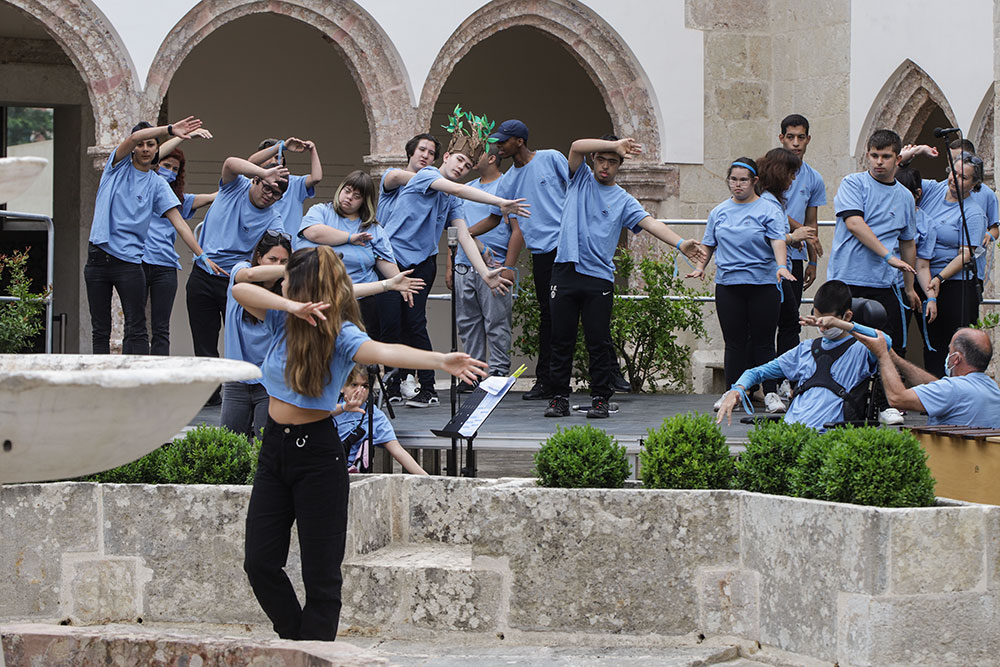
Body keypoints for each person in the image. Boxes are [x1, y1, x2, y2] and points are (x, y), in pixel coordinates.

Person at [234, 245, 486, 641]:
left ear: (304, 286)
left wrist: (439, 361)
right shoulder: (281, 318)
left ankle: (312, 653)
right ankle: (296, 638)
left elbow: (386, 350)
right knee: (259, 563)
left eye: (288, 279)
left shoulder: (341, 333)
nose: (280, 282)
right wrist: (294, 300)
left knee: (321, 574)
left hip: (317, 454)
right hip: (274, 451)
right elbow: (240, 286)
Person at [544, 135, 705, 418]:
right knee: (560, 339)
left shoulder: (623, 199)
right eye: (602, 159)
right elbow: (575, 147)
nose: (606, 166)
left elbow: (651, 223)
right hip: (565, 270)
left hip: (598, 279)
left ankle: (600, 399)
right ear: (594, 159)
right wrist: (614, 145)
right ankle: (558, 398)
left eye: (613, 162)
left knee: (599, 341)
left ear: (620, 166)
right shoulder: (579, 178)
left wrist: (681, 244)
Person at [377, 112, 524, 408]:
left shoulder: (452, 200)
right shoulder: (427, 176)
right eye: (459, 160)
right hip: (391, 260)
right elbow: (456, 187)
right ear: (445, 158)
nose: (462, 167)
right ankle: (392, 384)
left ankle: (427, 388)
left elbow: (465, 236)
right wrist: (499, 202)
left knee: (416, 323)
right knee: (390, 324)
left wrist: (485, 273)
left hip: (421, 264)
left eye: (468, 165)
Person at [85, 117, 223, 354]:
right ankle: (102, 385)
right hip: (98, 257)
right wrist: (171, 130)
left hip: (129, 262)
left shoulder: (158, 184)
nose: (145, 148)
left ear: (157, 148)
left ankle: (138, 385)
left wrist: (202, 256)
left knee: (137, 327)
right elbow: (132, 137)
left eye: (151, 144)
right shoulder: (116, 167)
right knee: (100, 330)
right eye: (141, 144)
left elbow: (180, 223)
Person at [688, 157, 794, 414]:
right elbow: (709, 244)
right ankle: (732, 392)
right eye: (733, 179)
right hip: (729, 285)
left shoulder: (768, 210)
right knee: (734, 342)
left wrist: (781, 266)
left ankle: (770, 393)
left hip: (763, 284)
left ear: (755, 181)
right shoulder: (719, 212)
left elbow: (778, 241)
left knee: (764, 342)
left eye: (743, 180)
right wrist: (700, 267)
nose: (737, 185)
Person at [715, 280, 890, 431]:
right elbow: (755, 373)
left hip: (827, 434)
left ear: (847, 316)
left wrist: (845, 325)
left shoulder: (860, 349)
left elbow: (886, 342)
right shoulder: (806, 349)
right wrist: (736, 390)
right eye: (819, 321)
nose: (822, 329)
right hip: (792, 433)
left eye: (828, 323)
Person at [185, 152, 290, 373]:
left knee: (240, 338)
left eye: (277, 194)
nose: (270, 195)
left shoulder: (274, 219)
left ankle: (241, 387)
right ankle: (210, 396)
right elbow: (230, 163)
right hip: (203, 272)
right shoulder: (235, 187)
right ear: (256, 180)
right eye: (267, 188)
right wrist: (265, 171)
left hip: (236, 280)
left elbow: (278, 254)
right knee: (204, 340)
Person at [828, 129, 917, 354]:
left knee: (889, 347)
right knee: (844, 345)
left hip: (884, 283)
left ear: (898, 159)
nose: (879, 162)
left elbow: (907, 243)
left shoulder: (905, 196)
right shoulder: (853, 183)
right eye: (874, 155)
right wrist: (888, 256)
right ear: (867, 155)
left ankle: (882, 391)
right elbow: (854, 224)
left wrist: (909, 287)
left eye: (885, 157)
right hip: (848, 279)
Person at [296, 169, 408, 338]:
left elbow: (384, 261)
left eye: (357, 196)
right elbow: (313, 233)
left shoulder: (372, 228)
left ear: (364, 201)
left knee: (362, 351)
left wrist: (401, 282)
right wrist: (350, 238)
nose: (349, 197)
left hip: (361, 299)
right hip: (322, 293)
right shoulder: (321, 211)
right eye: (347, 191)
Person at [142, 129, 217, 355]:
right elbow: (153, 157)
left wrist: (246, 181)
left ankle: (159, 378)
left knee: (161, 328)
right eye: (166, 166)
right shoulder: (144, 184)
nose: (171, 172)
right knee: (135, 324)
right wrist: (182, 135)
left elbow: (215, 197)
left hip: (165, 266)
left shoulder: (178, 200)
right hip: (138, 261)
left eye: (175, 169)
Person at [446, 144, 516, 385]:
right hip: (463, 266)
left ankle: (497, 373)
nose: (474, 158)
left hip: (494, 264)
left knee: (496, 322)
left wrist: (509, 265)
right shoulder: (466, 189)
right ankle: (473, 374)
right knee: (467, 323)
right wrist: (449, 264)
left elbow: (512, 226)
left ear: (493, 158)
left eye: (481, 153)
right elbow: (454, 231)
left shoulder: (506, 185)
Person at [914, 153, 987, 375]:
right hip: (923, 277)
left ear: (974, 184)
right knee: (931, 341)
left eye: (963, 177)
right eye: (953, 173)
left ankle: (958, 393)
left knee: (955, 342)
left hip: (954, 283)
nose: (955, 179)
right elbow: (903, 178)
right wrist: (913, 153)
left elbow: (966, 254)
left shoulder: (973, 212)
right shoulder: (934, 189)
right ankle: (934, 392)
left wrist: (939, 278)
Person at [222, 231, 292, 440]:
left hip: (269, 381)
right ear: (259, 257)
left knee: (265, 447)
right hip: (236, 378)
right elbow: (250, 276)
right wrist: (294, 267)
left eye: (283, 261)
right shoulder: (240, 271)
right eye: (272, 259)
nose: (277, 266)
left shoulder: (288, 290)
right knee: (230, 447)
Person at [855, 326, 1000, 428]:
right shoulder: (992, 388)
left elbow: (896, 398)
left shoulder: (952, 389)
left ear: (956, 359)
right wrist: (895, 358)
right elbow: (937, 387)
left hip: (949, 466)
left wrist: (882, 355)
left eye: (950, 350)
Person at [775, 114, 826, 369]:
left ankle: (786, 378)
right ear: (781, 138)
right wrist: (801, 230)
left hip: (795, 257)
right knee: (764, 322)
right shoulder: (769, 171)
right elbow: (770, 210)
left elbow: (812, 221)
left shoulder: (813, 177)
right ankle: (757, 385)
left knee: (790, 321)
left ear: (808, 140)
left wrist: (813, 262)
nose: (796, 143)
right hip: (768, 256)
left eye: (801, 137)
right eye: (791, 137)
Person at [333, 365, 428, 475]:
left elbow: (398, 451)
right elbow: (313, 413)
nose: (359, 390)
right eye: (354, 385)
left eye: (365, 386)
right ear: (342, 387)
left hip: (344, 471)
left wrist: (429, 480)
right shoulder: (330, 405)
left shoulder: (375, 417)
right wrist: (344, 408)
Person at [249, 137, 323, 238]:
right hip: (259, 248)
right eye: (268, 157)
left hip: (289, 247)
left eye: (276, 157)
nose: (273, 161)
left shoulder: (294, 183)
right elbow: (250, 163)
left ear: (282, 160)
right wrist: (282, 146)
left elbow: (316, 177)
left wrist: (312, 149)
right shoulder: (254, 183)